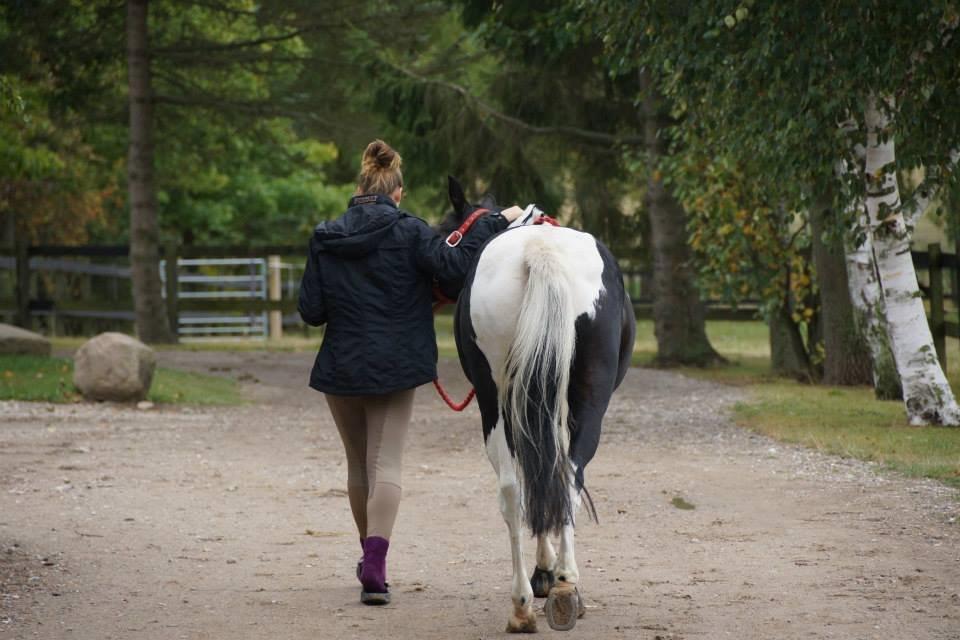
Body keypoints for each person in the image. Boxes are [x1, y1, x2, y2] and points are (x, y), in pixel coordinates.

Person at [297, 140, 523, 605]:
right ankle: (375, 568)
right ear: (398, 192)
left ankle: (368, 558)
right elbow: (457, 269)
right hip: (396, 365)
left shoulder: (325, 236)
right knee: (387, 464)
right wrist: (495, 222)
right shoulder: (412, 231)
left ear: (359, 187)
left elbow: (311, 310)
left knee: (358, 466)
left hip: (340, 365)